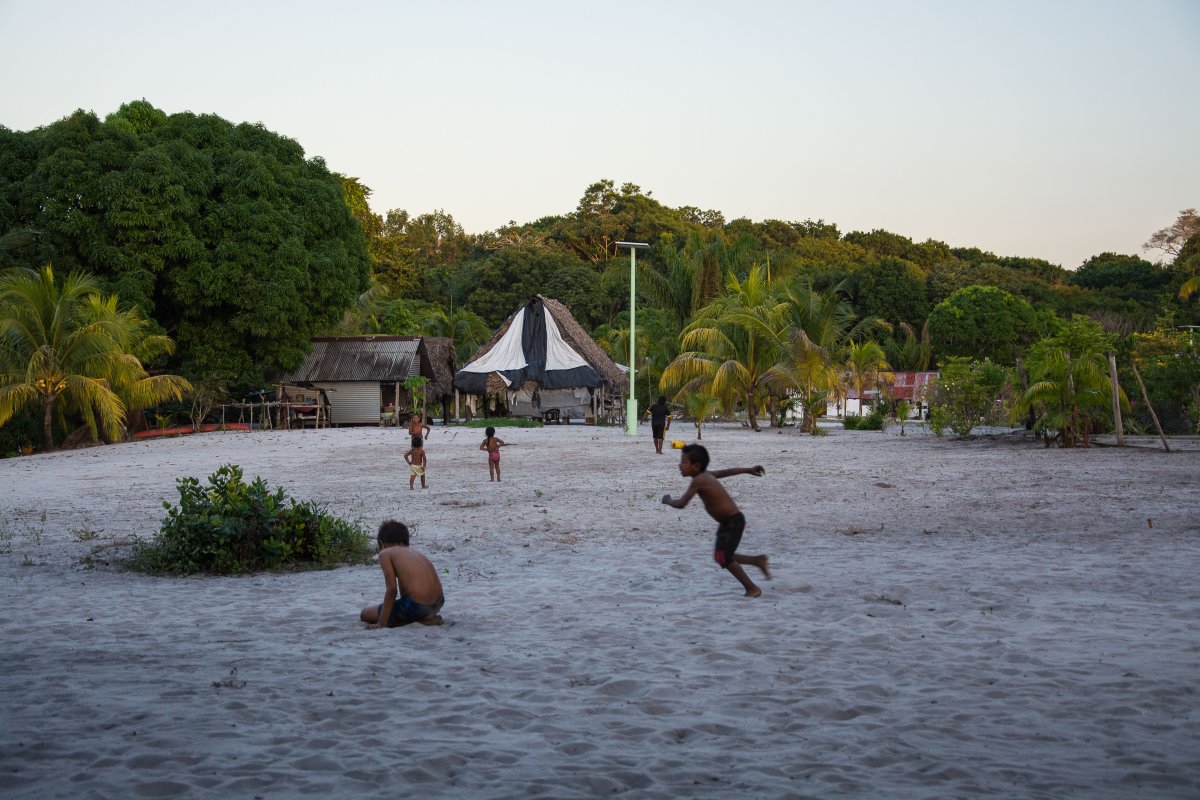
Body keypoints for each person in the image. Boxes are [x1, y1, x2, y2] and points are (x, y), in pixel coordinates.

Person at [661, 443, 770, 597]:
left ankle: (752, 588)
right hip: (728, 522)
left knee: (723, 558)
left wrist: (668, 500)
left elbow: (681, 504)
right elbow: (727, 472)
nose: (680, 465)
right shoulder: (706, 475)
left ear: (696, 466)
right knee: (722, 555)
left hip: (733, 522)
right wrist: (748, 470)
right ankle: (757, 561)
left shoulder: (699, 480)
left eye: (684, 462)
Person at [360, 520, 445, 628]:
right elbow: (405, 592)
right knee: (404, 608)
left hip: (417, 606)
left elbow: (392, 590)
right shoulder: (415, 553)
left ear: (382, 544)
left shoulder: (385, 553)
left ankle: (423, 621)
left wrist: (381, 623)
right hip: (438, 603)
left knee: (365, 613)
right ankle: (426, 618)